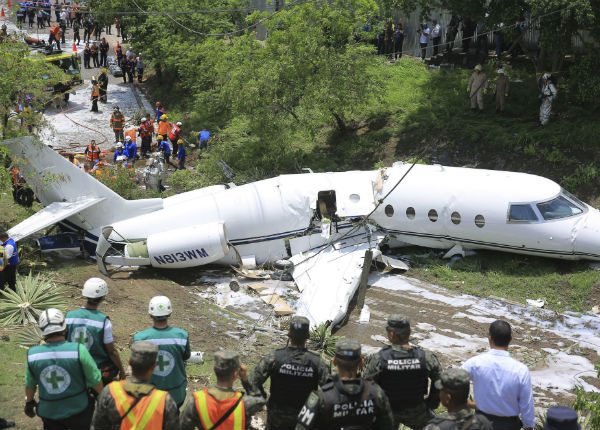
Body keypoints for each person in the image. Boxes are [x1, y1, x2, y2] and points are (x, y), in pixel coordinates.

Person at [25, 309, 103, 430]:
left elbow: (30, 384)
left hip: (49, 413)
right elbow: (95, 380)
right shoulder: (78, 350)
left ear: (42, 331)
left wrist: (29, 402)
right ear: (65, 328)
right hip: (79, 409)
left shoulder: (33, 355)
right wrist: (102, 399)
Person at [249, 316, 330, 430]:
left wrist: (263, 397)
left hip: (277, 420)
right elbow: (331, 391)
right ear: (308, 336)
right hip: (305, 421)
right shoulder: (317, 362)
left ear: (288, 334)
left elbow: (253, 381)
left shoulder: (275, 357)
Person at [364, 314, 443, 430]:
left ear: (391, 334)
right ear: (409, 332)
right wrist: (431, 403)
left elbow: (367, 388)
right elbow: (440, 382)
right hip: (416, 410)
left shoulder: (379, 359)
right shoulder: (426, 357)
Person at [296, 338, 393, 430]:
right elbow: (388, 426)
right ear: (361, 362)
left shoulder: (321, 397)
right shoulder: (376, 393)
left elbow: (301, 427)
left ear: (334, 361)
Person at [462, 320, 535, 430]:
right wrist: (528, 425)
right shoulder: (521, 370)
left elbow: (453, 382)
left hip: (480, 423)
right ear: (510, 339)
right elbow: (527, 403)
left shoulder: (475, 363)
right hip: (509, 425)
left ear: (490, 338)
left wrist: (468, 403)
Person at [92, 341, 180, 430]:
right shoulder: (164, 401)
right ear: (153, 367)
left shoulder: (110, 392)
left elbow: (97, 426)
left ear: (129, 362)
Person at [180, 350, 266, 430]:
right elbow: (260, 400)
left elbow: (182, 427)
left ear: (214, 369)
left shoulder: (197, 399)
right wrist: (245, 379)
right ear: (236, 374)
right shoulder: (245, 403)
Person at [66, 277, 127, 387]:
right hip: (97, 370)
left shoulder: (69, 316)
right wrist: (122, 370)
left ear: (85, 294)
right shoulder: (104, 321)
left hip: (74, 366)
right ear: (103, 297)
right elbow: (112, 352)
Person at [133, 295, 191, 408]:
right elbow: (186, 356)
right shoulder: (181, 336)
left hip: (149, 395)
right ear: (169, 313)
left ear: (150, 315)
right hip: (176, 394)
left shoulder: (140, 338)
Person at [423, 368, 493, 430]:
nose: (439, 393)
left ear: (448, 398)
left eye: (441, 390)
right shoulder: (484, 423)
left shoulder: (434, 427)